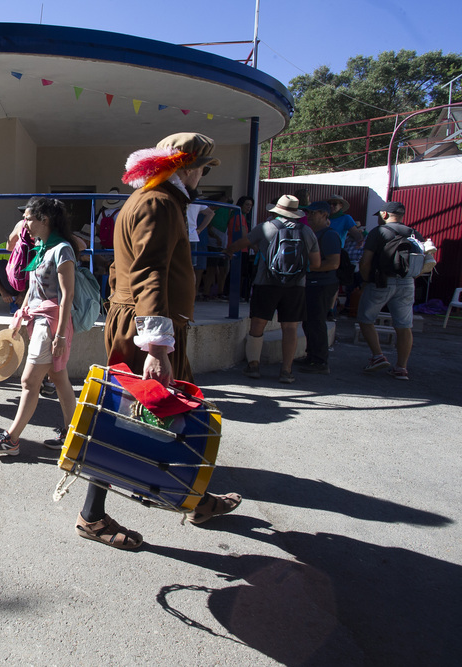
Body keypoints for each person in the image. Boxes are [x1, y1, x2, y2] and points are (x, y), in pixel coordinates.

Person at [75, 133, 242, 550]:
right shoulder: (158, 202)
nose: (203, 175)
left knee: (160, 414)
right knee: (125, 416)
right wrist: (156, 347)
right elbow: (149, 273)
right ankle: (91, 516)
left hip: (147, 324)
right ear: (187, 167)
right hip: (146, 329)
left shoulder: (156, 200)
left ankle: (195, 498)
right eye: (203, 168)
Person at [0, 197, 77, 455]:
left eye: (28, 218)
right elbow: (33, 288)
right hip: (39, 320)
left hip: (52, 324)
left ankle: (11, 439)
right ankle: (75, 437)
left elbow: (67, 295)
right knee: (59, 379)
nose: (24, 222)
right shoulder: (41, 246)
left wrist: (60, 337)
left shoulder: (62, 249)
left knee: (28, 381)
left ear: (44, 220)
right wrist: (22, 315)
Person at [225, 194, 321, 384]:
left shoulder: (266, 227)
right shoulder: (307, 232)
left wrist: (228, 251)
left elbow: (240, 244)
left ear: (276, 210)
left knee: (258, 325)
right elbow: (316, 263)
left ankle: (253, 365)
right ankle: (286, 371)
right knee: (290, 327)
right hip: (296, 286)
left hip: (266, 282)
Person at [357, 201, 420, 380]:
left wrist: (366, 280)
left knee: (365, 318)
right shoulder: (414, 233)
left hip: (381, 282)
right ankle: (401, 367)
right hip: (407, 282)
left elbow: (366, 261)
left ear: (385, 214)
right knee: (404, 325)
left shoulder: (379, 232)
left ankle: (377, 356)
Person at [295, 202, 342, 374]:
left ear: (323, 214)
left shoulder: (329, 236)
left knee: (316, 322)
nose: (309, 216)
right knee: (309, 323)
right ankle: (312, 356)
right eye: (308, 212)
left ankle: (320, 361)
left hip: (321, 284)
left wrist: (306, 267)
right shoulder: (315, 233)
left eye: (313, 212)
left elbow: (333, 263)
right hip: (312, 283)